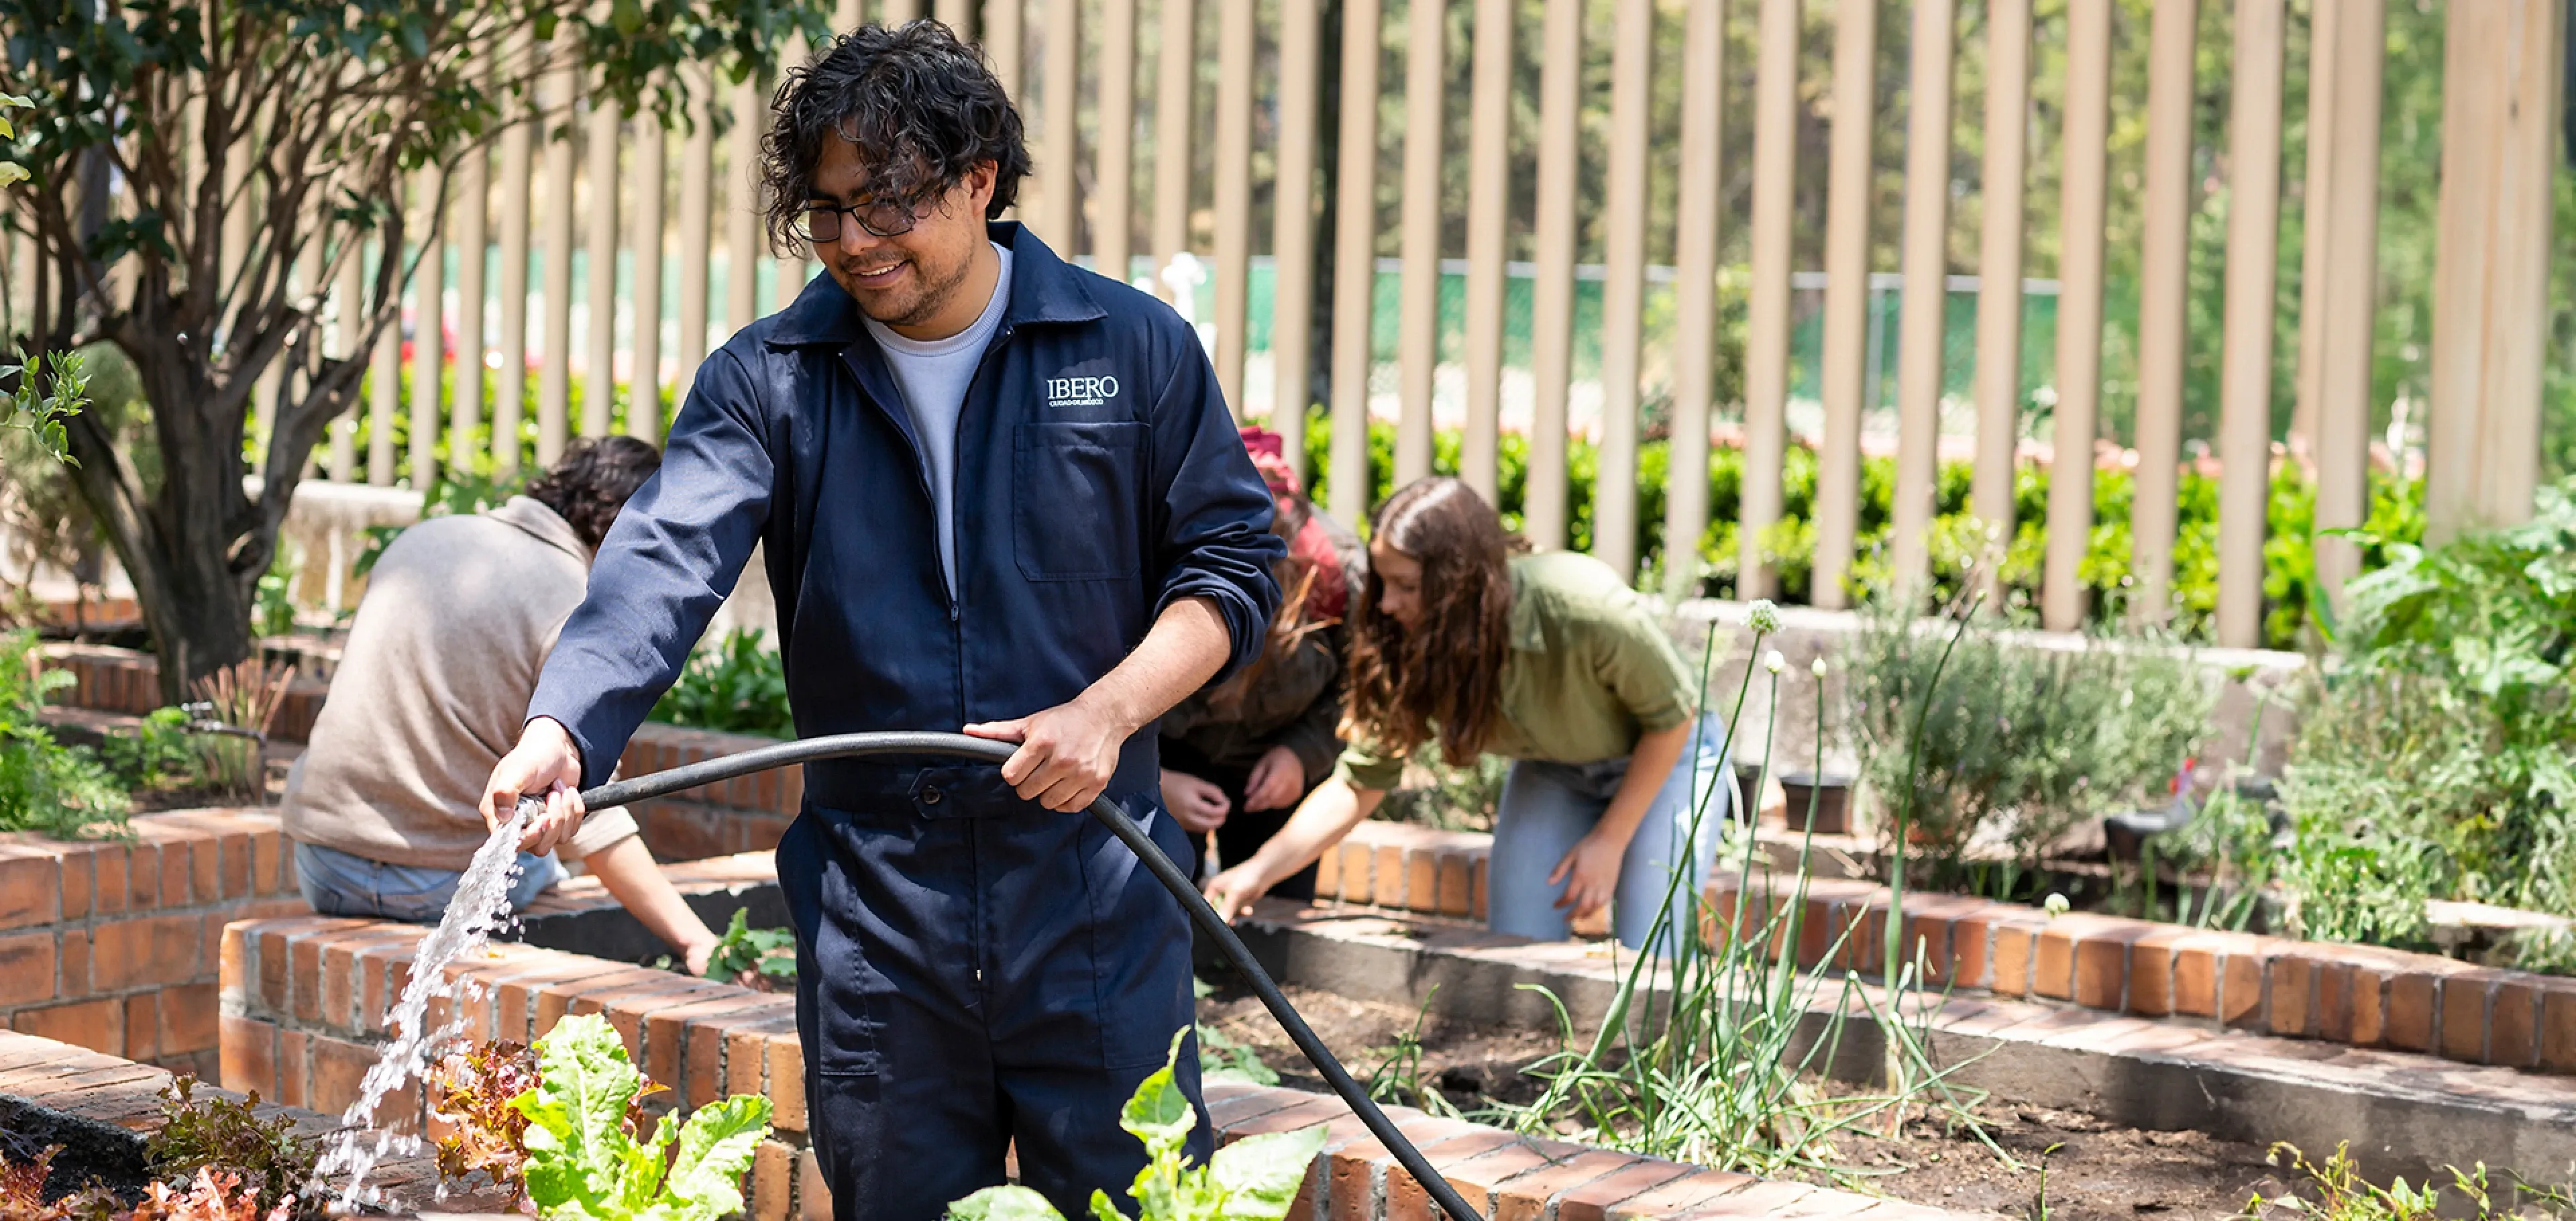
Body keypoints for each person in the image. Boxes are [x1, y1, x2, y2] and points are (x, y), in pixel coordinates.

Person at [476, 22, 1282, 1220]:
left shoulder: (1130, 350)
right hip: (880, 929)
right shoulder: (772, 376)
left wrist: (1108, 714)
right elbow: (661, 561)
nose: (854, 240)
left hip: (1096, 905)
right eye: (829, 207)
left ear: (979, 181)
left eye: (888, 202)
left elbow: (1232, 566)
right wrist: (564, 728)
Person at [1203, 477, 1733, 951]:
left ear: (1463, 582)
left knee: (1652, 950)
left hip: (1668, 757)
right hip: (1556, 769)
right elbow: (1360, 782)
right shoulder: (1411, 643)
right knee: (1518, 940)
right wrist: (1257, 871)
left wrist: (1610, 840)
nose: (1386, 604)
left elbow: (1673, 717)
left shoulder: (1584, 606)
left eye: (1407, 586)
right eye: (1384, 581)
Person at [280, 437, 724, 974]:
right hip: (430, 884)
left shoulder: (428, 537)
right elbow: (596, 819)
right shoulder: (579, 605)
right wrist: (696, 939)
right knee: (550, 859)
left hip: (322, 860)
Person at [1158, 426, 1363, 900]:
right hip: (1168, 754)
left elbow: (1356, 693)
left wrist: (1302, 753)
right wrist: (1155, 781)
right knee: (1157, 908)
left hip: (1275, 765)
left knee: (1275, 913)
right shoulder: (1156, 556)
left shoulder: (1339, 575)